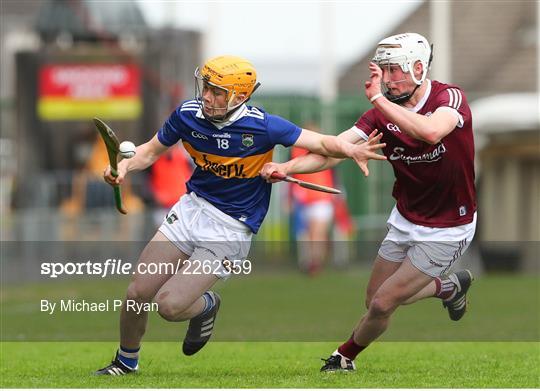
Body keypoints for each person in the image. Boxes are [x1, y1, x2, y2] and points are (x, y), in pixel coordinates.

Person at [95, 55, 386, 375]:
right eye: (206, 87)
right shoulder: (187, 116)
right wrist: (122, 166)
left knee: (169, 306)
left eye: (217, 91)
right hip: (191, 209)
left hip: (229, 228)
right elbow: (148, 152)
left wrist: (352, 150)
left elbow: (322, 142)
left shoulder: (263, 126)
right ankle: (125, 362)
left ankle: (207, 305)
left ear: (240, 96)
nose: (207, 96)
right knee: (137, 292)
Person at [260, 32, 477, 372]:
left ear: (418, 68)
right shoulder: (380, 115)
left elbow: (431, 132)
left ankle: (344, 356)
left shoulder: (448, 97)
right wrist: (285, 166)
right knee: (372, 299)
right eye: (383, 71)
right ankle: (447, 287)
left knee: (382, 303)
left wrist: (378, 100)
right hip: (406, 218)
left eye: (394, 71)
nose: (387, 80)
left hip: (449, 226)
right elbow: (333, 152)